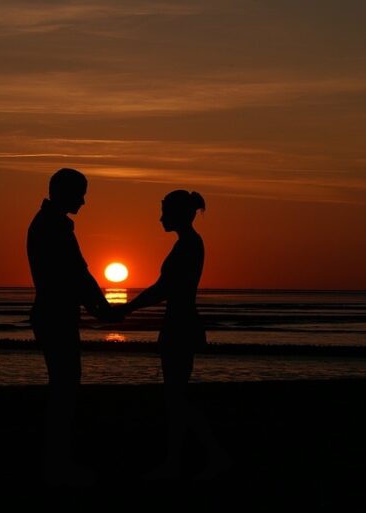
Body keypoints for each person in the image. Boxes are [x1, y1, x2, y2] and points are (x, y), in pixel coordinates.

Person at [118, 190, 231, 480]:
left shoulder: (189, 245)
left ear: (179, 214)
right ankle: (177, 459)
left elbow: (164, 288)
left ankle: (205, 456)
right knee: (175, 395)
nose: (160, 218)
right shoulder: (187, 244)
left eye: (165, 212)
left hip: (180, 325)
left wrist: (128, 308)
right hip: (179, 323)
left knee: (177, 396)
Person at [26, 167, 118, 486]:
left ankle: (56, 460)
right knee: (65, 387)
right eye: (80, 194)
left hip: (53, 314)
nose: (84, 201)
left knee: (63, 386)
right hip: (56, 316)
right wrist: (103, 309)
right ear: (64, 192)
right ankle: (57, 464)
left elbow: (76, 276)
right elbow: (77, 275)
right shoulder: (54, 226)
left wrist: (98, 308)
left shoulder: (48, 223)